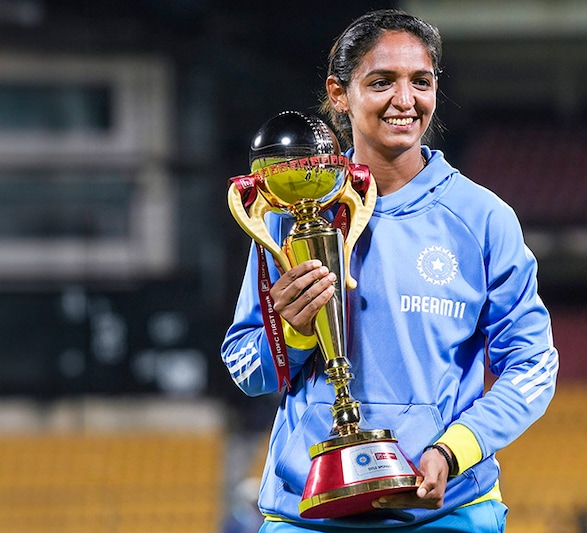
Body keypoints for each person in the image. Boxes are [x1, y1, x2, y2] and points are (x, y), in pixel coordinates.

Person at [221, 9, 558, 532]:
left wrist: (453, 451)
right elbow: (247, 370)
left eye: (420, 82)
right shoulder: (291, 212)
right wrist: (295, 332)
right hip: (308, 512)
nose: (405, 100)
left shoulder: (482, 219)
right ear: (339, 94)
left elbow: (533, 366)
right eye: (382, 82)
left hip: (445, 510)